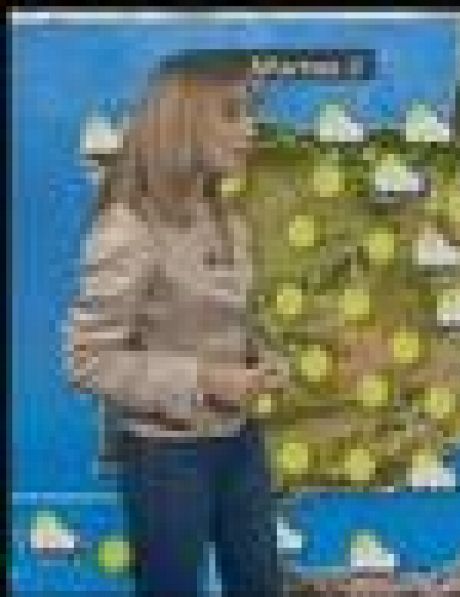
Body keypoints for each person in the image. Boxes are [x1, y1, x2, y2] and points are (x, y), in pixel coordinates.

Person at [64, 56, 290, 596]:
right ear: (181, 123)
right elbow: (87, 361)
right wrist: (206, 380)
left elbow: (215, 319)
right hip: (166, 456)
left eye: (251, 113)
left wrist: (257, 359)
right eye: (231, 114)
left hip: (238, 441)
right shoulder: (128, 231)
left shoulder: (226, 220)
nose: (250, 129)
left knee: (261, 583)